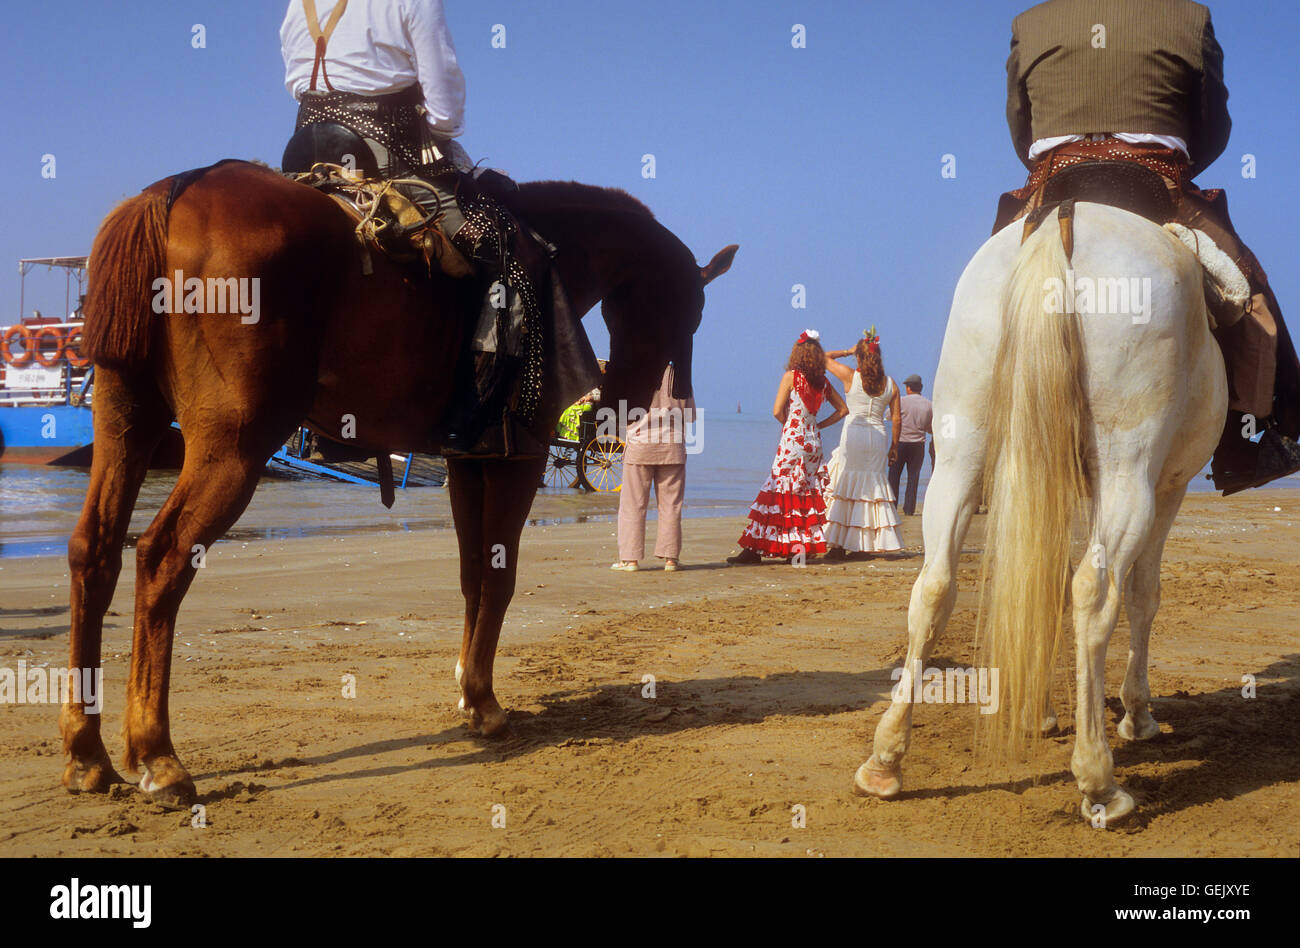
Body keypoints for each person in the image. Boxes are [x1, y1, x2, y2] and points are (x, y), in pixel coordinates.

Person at [996, 0, 1300, 494]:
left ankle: (969, 439)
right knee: (1250, 289)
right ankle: (1256, 437)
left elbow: (1019, 124)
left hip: (1053, 181)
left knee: (985, 289)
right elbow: (1213, 125)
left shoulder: (1029, 23)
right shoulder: (1189, 17)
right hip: (1157, 181)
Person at [280, 0, 597, 455]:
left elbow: (296, 80)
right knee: (505, 247)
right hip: (384, 152)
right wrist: (436, 128)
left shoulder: (299, 3)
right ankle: (471, 413)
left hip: (305, 153)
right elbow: (446, 105)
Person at [728, 331, 849, 565]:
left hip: (793, 439)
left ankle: (755, 550)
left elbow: (776, 411)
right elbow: (843, 410)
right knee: (804, 494)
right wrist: (817, 425)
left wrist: (790, 425)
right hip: (813, 442)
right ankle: (797, 549)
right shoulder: (822, 381)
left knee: (778, 490)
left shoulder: (791, 377)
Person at [821, 330, 906, 556]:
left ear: (859, 357)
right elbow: (897, 418)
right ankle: (863, 545)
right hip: (878, 436)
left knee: (847, 485)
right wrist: (894, 447)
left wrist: (849, 350)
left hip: (854, 435)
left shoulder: (850, 376)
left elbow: (823, 357)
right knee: (870, 487)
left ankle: (838, 545)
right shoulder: (891, 383)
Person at [611, 363, 695, 572]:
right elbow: (690, 415)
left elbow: (619, 412)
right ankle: (670, 558)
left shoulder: (633, 371)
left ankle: (630, 560)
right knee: (671, 505)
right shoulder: (679, 374)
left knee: (633, 505)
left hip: (640, 445)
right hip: (672, 445)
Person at [887, 374, 934, 516]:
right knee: (914, 477)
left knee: (894, 476)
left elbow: (889, 417)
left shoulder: (900, 401)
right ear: (921, 388)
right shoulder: (929, 404)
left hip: (900, 443)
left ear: (908, 388)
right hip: (918, 445)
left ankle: (892, 508)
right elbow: (930, 427)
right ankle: (909, 509)